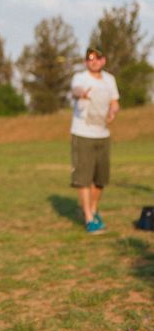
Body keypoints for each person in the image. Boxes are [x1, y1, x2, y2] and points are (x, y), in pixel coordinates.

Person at [70, 47, 120, 234]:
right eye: (90, 58)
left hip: (103, 134)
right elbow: (76, 90)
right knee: (83, 179)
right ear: (86, 62)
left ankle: (94, 210)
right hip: (83, 134)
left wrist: (113, 112)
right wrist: (82, 93)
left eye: (97, 58)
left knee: (100, 180)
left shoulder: (110, 80)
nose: (94, 61)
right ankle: (89, 219)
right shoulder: (80, 78)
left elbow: (115, 102)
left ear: (103, 60)